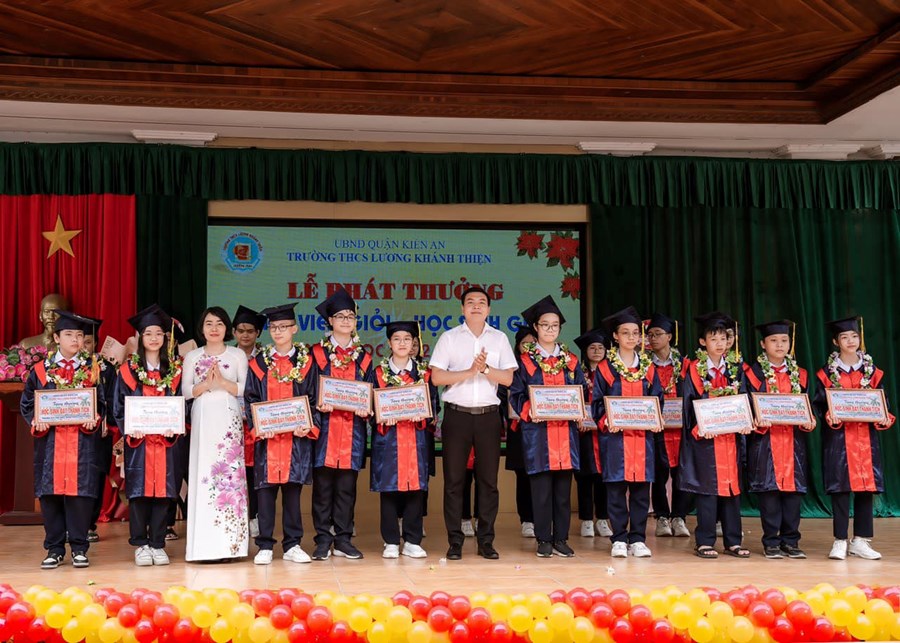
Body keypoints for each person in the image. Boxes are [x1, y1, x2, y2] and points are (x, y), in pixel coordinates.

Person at [430, 286, 517, 560]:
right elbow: (437, 378)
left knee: (488, 481)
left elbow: (508, 379)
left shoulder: (499, 338)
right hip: (457, 416)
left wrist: (486, 369)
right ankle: (454, 541)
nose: (476, 306)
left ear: (489, 309)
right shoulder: (449, 338)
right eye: (470, 302)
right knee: (454, 481)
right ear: (462, 309)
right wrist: (469, 371)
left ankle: (486, 541)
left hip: (488, 417)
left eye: (481, 302)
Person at [20, 310, 104, 569]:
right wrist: (36, 420)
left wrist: (95, 418)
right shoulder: (40, 371)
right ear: (56, 338)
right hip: (51, 444)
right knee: (51, 495)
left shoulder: (92, 369)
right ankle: (54, 549)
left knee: (80, 495)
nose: (75, 340)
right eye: (69, 335)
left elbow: (101, 402)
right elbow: (27, 404)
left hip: (81, 443)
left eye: (79, 335)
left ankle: (79, 548)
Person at [510, 296, 588, 557]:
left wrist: (579, 410)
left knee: (563, 492)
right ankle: (543, 539)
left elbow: (581, 392)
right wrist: (529, 410)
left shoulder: (571, 360)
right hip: (539, 435)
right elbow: (516, 394)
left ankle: (561, 538)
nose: (550, 329)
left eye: (555, 325)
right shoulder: (525, 362)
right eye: (545, 325)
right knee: (541, 490)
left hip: (565, 435)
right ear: (536, 327)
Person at [813, 316, 895, 560]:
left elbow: (883, 403)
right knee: (840, 488)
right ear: (835, 341)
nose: (850, 341)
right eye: (845, 337)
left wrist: (884, 418)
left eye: (854, 336)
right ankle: (839, 540)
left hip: (866, 439)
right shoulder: (826, 374)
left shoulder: (873, 372)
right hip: (839, 439)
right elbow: (819, 405)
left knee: (865, 488)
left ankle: (860, 540)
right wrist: (828, 415)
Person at [245, 303, 320, 565]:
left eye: (283, 327)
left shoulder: (306, 363)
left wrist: (308, 425)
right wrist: (259, 427)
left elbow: (313, 398)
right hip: (267, 442)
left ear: (294, 329)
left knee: (292, 494)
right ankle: (265, 545)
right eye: (274, 327)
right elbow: (250, 399)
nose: (278, 331)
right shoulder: (258, 364)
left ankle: (292, 545)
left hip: (295, 441)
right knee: (265, 494)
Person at [113, 305, 185, 566]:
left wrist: (175, 425)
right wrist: (130, 427)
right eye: (148, 333)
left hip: (166, 442)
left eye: (158, 333)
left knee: (164, 493)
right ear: (140, 338)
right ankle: (140, 544)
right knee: (139, 493)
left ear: (165, 337)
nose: (154, 338)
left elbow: (182, 404)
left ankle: (157, 543)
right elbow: (118, 407)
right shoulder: (128, 370)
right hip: (139, 443)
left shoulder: (175, 370)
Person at [591, 307, 664, 558]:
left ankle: (638, 539)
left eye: (635, 333)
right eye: (625, 333)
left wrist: (656, 419)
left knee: (641, 491)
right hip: (616, 440)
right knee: (616, 491)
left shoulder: (649, 368)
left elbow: (658, 400)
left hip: (643, 440)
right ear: (615, 336)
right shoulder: (605, 369)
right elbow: (597, 403)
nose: (631, 337)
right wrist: (607, 421)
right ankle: (619, 538)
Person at [680, 312, 750, 559]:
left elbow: (743, 399)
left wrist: (745, 422)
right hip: (706, 440)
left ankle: (733, 541)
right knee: (707, 491)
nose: (720, 343)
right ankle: (705, 541)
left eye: (723, 338)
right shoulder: (694, 370)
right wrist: (696, 427)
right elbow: (688, 404)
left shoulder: (736, 368)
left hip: (730, 439)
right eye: (713, 338)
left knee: (732, 490)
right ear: (703, 342)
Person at [743, 320, 816, 559]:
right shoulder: (752, 375)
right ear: (763, 344)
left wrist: (809, 420)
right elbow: (745, 407)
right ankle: (771, 541)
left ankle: (791, 541)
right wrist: (756, 420)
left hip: (793, 443)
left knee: (793, 494)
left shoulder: (800, 375)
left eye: (784, 340)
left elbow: (807, 407)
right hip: (766, 442)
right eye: (773, 340)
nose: (780, 345)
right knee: (769, 493)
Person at [181, 306, 249, 561]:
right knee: (204, 476)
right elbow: (185, 391)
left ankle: (231, 547)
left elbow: (246, 388)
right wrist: (205, 385)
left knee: (230, 479)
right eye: (209, 323)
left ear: (227, 328)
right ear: (202, 328)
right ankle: (203, 548)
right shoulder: (193, 357)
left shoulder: (237, 355)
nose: (214, 328)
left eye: (219, 323)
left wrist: (223, 384)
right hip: (203, 417)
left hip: (229, 418)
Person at [310, 288, 373, 560]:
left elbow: (370, 393)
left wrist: (366, 407)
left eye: (351, 316)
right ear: (330, 321)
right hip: (325, 431)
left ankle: (344, 539)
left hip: (352, 432)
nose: (346, 321)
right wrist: (317, 403)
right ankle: (323, 539)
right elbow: (308, 390)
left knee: (347, 489)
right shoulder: (315, 354)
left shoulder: (364, 357)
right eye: (340, 316)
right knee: (323, 489)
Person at [370, 321, 440, 558]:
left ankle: (412, 540)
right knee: (388, 489)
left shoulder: (424, 374)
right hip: (388, 440)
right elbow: (370, 406)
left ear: (413, 344)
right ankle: (390, 541)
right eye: (397, 339)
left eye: (407, 339)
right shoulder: (378, 373)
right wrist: (380, 416)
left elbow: (434, 405)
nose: (402, 343)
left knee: (415, 489)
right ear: (389, 343)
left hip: (415, 438)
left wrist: (425, 414)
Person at [647, 313, 692, 538]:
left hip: (682, 429)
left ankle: (679, 517)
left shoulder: (686, 365)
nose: (653, 339)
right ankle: (662, 517)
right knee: (659, 474)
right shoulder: (644, 366)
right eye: (650, 335)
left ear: (669, 336)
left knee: (682, 473)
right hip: (658, 429)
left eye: (658, 334)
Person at [573, 328, 612, 539]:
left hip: (605, 433)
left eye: (600, 347)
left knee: (604, 478)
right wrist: (579, 419)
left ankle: (603, 519)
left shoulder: (612, 374)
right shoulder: (577, 373)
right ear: (585, 351)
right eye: (592, 348)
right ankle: (586, 520)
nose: (596, 351)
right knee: (585, 477)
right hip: (584, 434)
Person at [233, 305, 266, 538]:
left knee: (255, 473)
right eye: (241, 330)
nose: (245, 335)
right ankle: (235, 518)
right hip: (231, 424)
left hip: (257, 425)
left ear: (258, 333)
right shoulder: (225, 358)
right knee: (234, 473)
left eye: (250, 331)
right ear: (234, 332)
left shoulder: (265, 359)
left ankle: (254, 517)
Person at [503, 325, 537, 538]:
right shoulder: (511, 368)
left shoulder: (547, 365)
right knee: (523, 476)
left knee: (542, 476)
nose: (529, 347)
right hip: (519, 429)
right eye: (525, 343)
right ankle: (527, 520)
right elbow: (503, 397)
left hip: (542, 429)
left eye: (533, 343)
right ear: (517, 346)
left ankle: (543, 519)